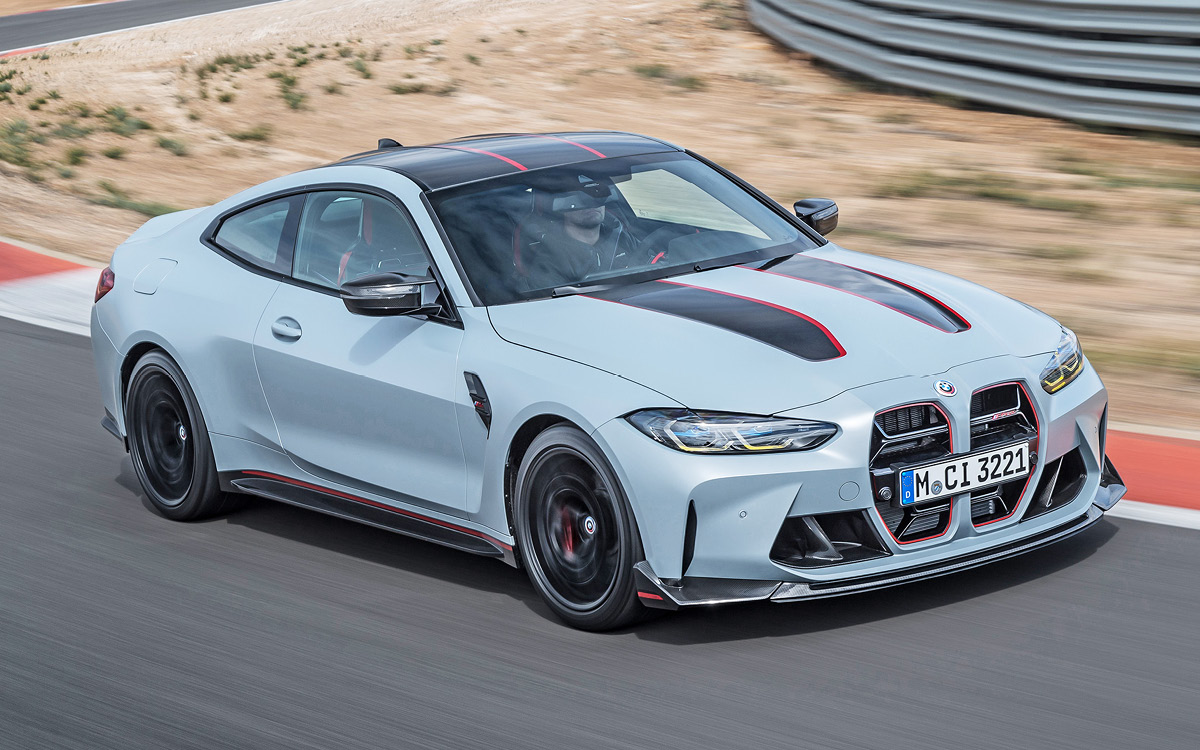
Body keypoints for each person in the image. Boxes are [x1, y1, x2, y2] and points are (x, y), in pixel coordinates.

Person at [516, 177, 640, 291]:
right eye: (580, 198)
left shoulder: (620, 237)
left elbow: (653, 260)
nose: (592, 203)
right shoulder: (550, 258)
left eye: (597, 194)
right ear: (561, 209)